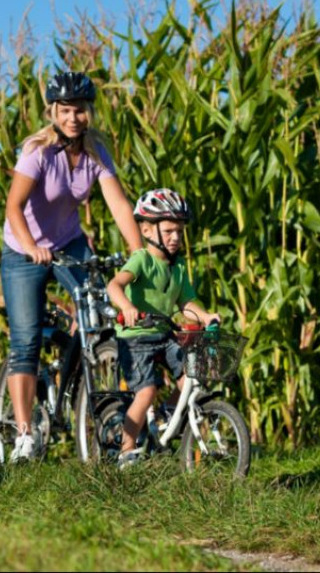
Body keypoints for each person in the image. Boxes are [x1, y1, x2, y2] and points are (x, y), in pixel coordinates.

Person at [1, 70, 143, 462]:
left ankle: (82, 379)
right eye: (65, 110)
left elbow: (118, 204)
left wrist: (139, 254)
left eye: (79, 110)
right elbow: (13, 207)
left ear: (89, 111)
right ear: (53, 111)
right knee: (25, 340)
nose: (73, 118)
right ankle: (24, 433)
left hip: (69, 242)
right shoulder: (38, 151)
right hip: (23, 249)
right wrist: (31, 247)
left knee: (99, 315)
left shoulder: (96, 150)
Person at [106, 187, 221, 467]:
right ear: (147, 231)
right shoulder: (142, 260)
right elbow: (115, 285)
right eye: (169, 231)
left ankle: (167, 414)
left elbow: (186, 302)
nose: (176, 237)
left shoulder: (177, 266)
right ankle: (126, 451)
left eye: (179, 231)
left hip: (164, 334)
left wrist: (204, 316)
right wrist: (127, 307)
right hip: (136, 337)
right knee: (146, 391)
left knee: (191, 377)